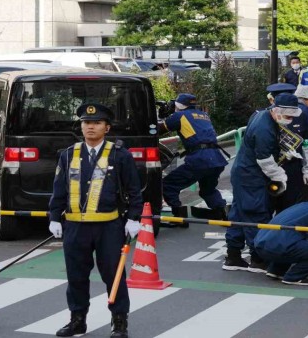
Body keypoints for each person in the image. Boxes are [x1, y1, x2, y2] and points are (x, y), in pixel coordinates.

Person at [48, 103, 143, 338]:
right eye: (86, 122)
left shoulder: (120, 155)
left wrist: (133, 218)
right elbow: (59, 190)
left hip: (108, 226)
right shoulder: (68, 154)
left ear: (106, 128)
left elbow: (134, 190)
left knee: (114, 275)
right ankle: (77, 320)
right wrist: (54, 217)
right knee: (76, 276)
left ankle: (119, 322)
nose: (90, 127)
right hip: (75, 227)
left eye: (97, 123)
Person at [223, 93, 302, 273]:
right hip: (252, 176)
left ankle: (233, 255)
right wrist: (280, 176)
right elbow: (265, 160)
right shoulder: (264, 128)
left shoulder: (261, 115)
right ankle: (258, 259)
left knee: (238, 214)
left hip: (244, 173)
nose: (289, 120)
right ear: (277, 110)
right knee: (256, 214)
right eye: (287, 116)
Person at [158, 93, 228, 226]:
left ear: (179, 105)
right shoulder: (204, 115)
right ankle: (222, 214)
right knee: (208, 190)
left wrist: (162, 116)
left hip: (199, 159)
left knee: (168, 184)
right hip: (216, 158)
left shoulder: (179, 116)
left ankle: (179, 218)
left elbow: (157, 130)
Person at [253, 186, 308, 286]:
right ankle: (294, 277)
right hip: (280, 248)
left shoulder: (301, 206)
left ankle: (276, 271)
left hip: (261, 246)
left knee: (291, 240)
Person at [272, 86, 308, 213]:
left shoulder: (269, 113)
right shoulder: (307, 114)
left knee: (277, 203)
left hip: (276, 166)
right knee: (298, 206)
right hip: (295, 166)